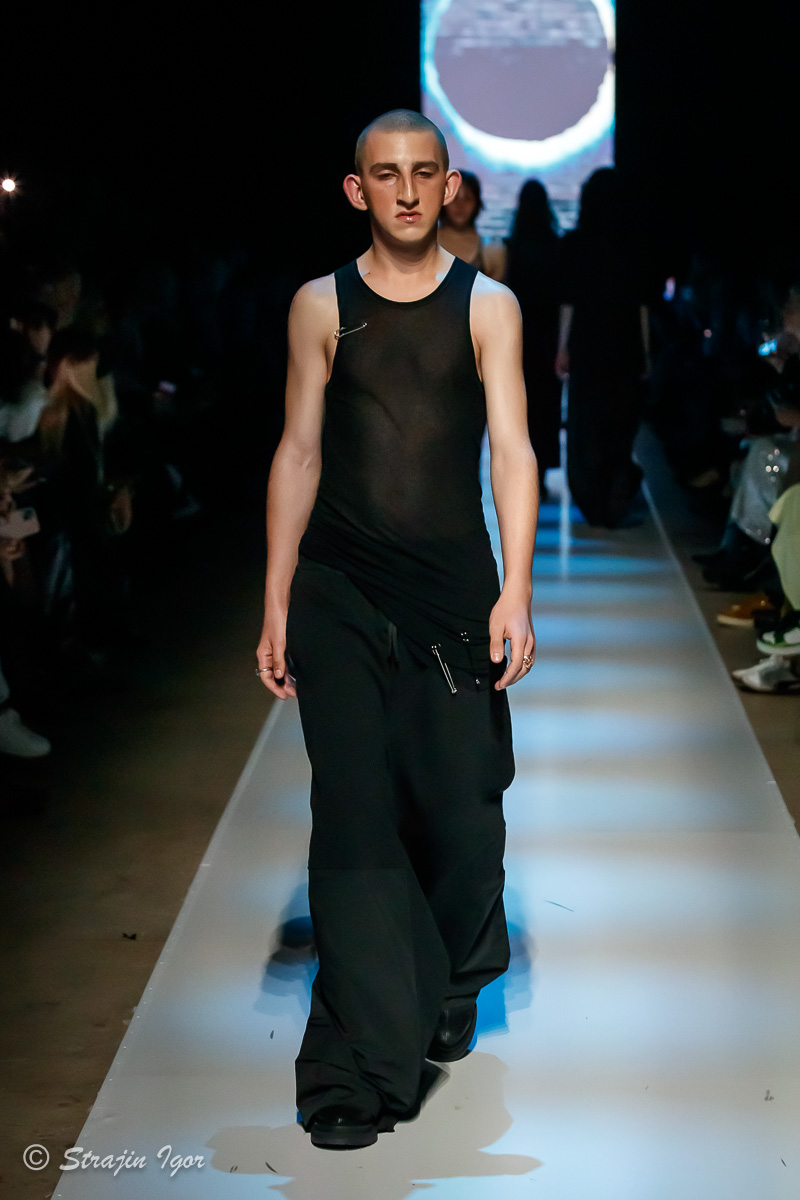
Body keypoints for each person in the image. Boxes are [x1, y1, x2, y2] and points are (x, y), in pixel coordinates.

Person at [257, 109, 538, 1150]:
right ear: (357, 190)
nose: (408, 191)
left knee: (460, 804)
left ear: (450, 185)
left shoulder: (489, 306)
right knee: (354, 813)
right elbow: (298, 450)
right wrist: (276, 593)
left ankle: (452, 976)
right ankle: (353, 1065)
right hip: (338, 590)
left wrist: (517, 588)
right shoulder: (319, 304)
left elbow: (512, 450)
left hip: (452, 595)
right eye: (386, 174)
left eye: (424, 173)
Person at [556, 167, 650, 527]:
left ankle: (594, 501)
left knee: (586, 426)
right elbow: (642, 306)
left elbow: (568, 302)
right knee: (619, 425)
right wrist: (646, 353)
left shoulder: (575, 244)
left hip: (587, 345)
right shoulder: (635, 247)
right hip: (625, 345)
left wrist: (562, 347)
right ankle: (615, 493)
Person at [503, 179, 562, 486]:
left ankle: (522, 470)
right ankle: (540, 471)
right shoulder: (557, 246)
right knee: (546, 405)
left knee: (519, 405)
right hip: (549, 336)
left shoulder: (511, 247)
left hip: (519, 335)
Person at [436, 169, 505, 280]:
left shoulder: (492, 251)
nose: (460, 205)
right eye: (455, 198)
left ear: (477, 204)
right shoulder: (423, 244)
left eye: (467, 199)